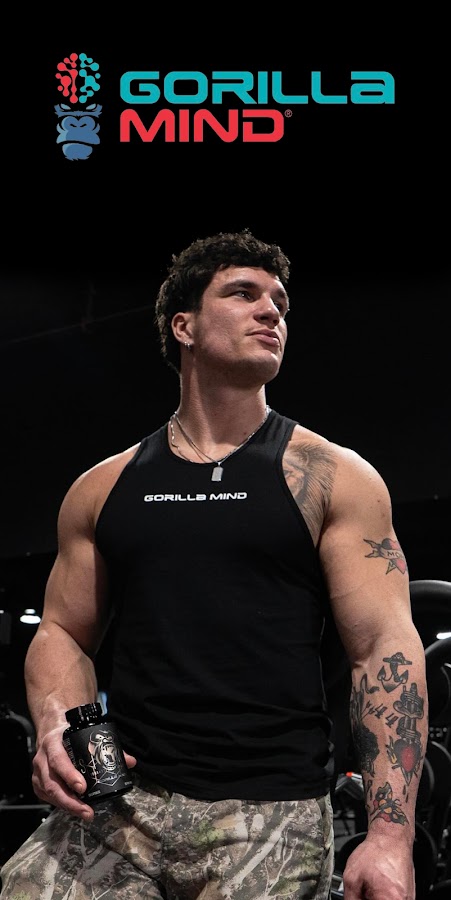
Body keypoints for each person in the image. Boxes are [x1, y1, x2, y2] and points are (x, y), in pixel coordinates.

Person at [0, 229, 428, 900]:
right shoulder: (102, 487)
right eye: (243, 294)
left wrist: (390, 839)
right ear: (185, 326)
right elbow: (62, 632)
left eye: (279, 302)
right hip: (123, 801)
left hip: (268, 811)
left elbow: (383, 649)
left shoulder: (332, 476)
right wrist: (58, 720)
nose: (271, 311)